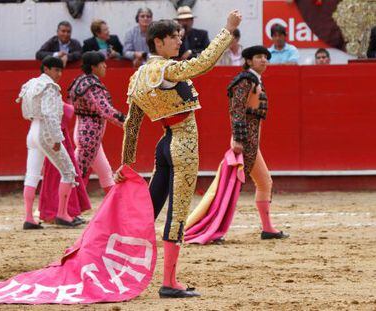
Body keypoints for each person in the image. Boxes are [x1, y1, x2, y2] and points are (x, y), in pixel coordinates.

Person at [114, 10, 242, 298]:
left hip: (164, 144)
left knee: (148, 210)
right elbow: (202, 64)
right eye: (173, 37)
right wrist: (228, 30)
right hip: (182, 146)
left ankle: (119, 265)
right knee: (177, 215)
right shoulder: (166, 69)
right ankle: (169, 282)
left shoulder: (138, 77)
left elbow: (132, 123)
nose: (178, 41)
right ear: (158, 42)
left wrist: (126, 162)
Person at [226, 45, 289, 239]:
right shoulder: (247, 80)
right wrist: (237, 138)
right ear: (248, 61)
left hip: (250, 141)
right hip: (244, 140)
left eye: (266, 57)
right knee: (232, 187)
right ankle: (216, 228)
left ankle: (268, 229)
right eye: (259, 57)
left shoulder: (253, 80)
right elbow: (236, 108)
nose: (264, 60)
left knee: (263, 182)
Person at [16, 56, 80, 229]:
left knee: (32, 174)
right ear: (46, 69)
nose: (59, 74)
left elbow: (25, 110)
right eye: (56, 70)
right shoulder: (50, 87)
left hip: (32, 131)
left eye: (60, 70)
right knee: (68, 172)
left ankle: (29, 218)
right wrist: (57, 139)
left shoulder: (31, 83)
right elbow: (51, 115)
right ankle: (62, 214)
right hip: (46, 132)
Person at [68, 51, 125, 193]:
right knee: (77, 174)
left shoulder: (80, 81)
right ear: (94, 67)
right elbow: (105, 110)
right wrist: (126, 121)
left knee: (105, 172)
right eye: (102, 64)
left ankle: (113, 208)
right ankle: (66, 209)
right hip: (89, 135)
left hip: (83, 130)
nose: (105, 66)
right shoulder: (92, 85)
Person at [38, 103, 91, 225]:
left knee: (61, 173)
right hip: (54, 135)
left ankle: (68, 212)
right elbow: (63, 112)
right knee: (60, 173)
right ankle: (56, 212)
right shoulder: (48, 88)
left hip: (58, 133)